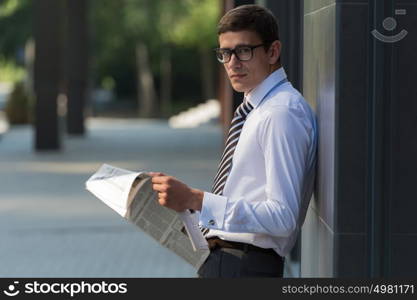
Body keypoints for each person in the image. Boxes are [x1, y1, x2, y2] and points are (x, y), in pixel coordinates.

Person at [149, 4, 317, 278]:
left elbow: (283, 217)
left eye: (243, 51)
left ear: (273, 51)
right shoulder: (256, 109)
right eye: (225, 53)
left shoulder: (280, 113)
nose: (232, 63)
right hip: (229, 260)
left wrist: (196, 198)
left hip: (244, 265)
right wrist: (188, 204)